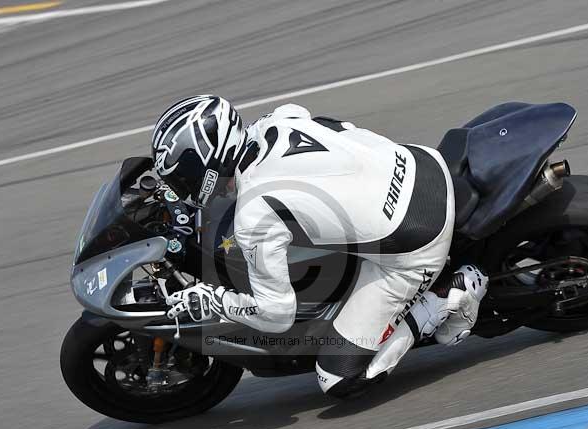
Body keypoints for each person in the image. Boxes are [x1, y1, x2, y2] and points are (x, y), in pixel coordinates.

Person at [155, 95, 488, 398]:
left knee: (337, 378)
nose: (178, 186)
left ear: (202, 164)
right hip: (422, 163)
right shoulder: (274, 121)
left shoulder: (253, 216)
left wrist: (215, 302)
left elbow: (276, 315)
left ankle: (448, 296)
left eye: (179, 177)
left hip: (417, 240)